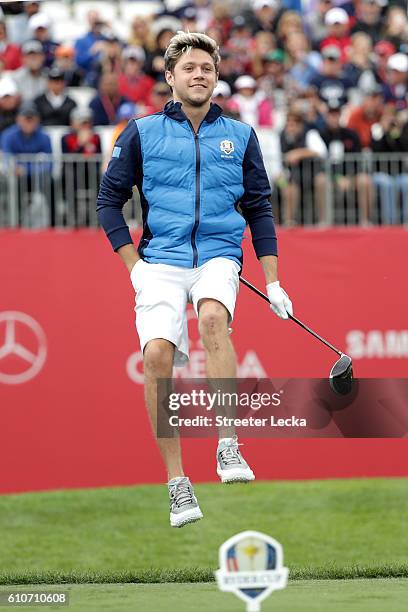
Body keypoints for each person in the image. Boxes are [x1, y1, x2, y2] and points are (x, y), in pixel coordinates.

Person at [97, 32, 293, 528]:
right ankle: (178, 485)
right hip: (158, 260)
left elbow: (260, 210)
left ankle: (228, 446)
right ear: (170, 77)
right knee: (157, 356)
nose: (199, 74)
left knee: (211, 319)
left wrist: (272, 282)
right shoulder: (139, 132)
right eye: (189, 68)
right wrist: (134, 269)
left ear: (217, 75)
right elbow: (108, 203)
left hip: (218, 255)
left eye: (206, 67)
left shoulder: (243, 136)